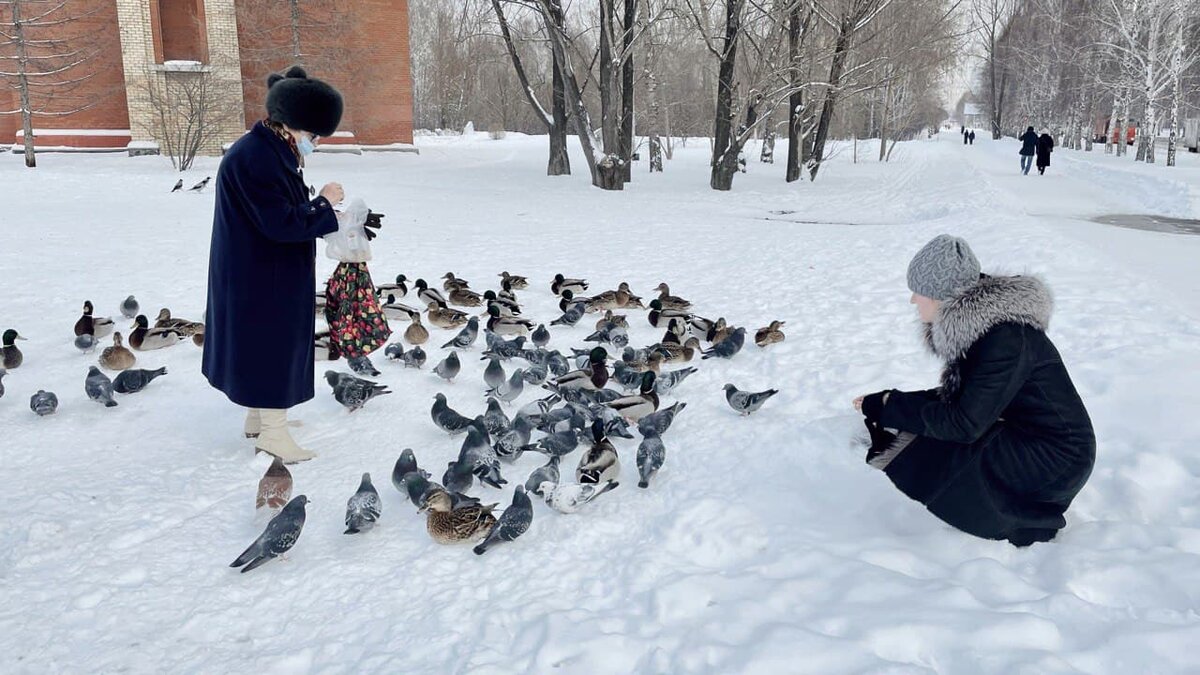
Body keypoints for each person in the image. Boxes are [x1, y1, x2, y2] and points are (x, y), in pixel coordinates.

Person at [853, 235, 1095, 546]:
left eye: (920, 292)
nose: (914, 300)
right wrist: (889, 402)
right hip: (1035, 439)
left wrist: (890, 406)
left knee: (944, 452)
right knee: (931, 435)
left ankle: (1026, 522)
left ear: (942, 296)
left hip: (1057, 458)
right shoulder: (988, 330)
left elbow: (963, 423)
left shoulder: (1005, 339)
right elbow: (967, 400)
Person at [202, 66, 345, 464]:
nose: (314, 143)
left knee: (257, 347)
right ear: (295, 125)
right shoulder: (258, 158)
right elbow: (281, 222)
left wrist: (318, 210)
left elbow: (281, 213)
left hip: (257, 270)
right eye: (313, 135)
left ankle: (260, 419)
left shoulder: (266, 150)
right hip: (263, 275)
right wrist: (325, 203)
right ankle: (274, 434)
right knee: (272, 347)